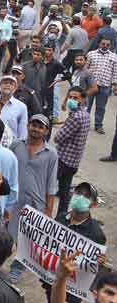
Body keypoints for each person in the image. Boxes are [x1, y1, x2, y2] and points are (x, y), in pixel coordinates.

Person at [8, 114, 59, 283]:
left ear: (46, 131)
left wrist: (48, 211)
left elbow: (51, 185)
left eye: (40, 126)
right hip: (13, 200)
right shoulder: (16, 145)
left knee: (27, 239)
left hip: (35, 203)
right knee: (7, 234)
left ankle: (17, 268)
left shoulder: (51, 153)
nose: (35, 129)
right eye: (33, 124)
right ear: (28, 125)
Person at [52, 86, 89, 218]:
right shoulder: (84, 114)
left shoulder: (76, 117)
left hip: (64, 159)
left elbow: (58, 138)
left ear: (83, 100)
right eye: (70, 97)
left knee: (48, 187)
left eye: (75, 98)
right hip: (73, 161)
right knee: (64, 191)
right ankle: (60, 217)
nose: (71, 100)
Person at [86, 37, 117, 134]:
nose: (105, 46)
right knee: (86, 105)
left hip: (105, 86)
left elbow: (115, 72)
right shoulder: (91, 54)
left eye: (107, 45)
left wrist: (115, 84)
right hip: (91, 85)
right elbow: (86, 69)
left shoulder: (114, 57)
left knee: (101, 107)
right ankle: (84, 123)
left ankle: (98, 125)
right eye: (103, 44)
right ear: (99, 43)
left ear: (110, 46)